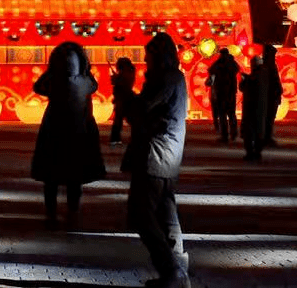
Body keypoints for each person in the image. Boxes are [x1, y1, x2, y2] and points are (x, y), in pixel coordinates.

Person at [121, 32, 190, 288]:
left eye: (148, 57)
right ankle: (178, 270)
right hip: (169, 155)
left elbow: (139, 111)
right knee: (166, 212)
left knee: (141, 215)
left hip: (155, 155)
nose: (146, 62)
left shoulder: (164, 79)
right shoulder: (176, 77)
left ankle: (171, 270)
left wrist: (126, 89)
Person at [31, 41, 106, 230]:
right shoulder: (85, 82)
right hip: (78, 134)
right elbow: (94, 85)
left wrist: (51, 70)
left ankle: (51, 215)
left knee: (51, 179)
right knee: (75, 179)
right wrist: (86, 69)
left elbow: (38, 87)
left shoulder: (54, 81)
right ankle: (73, 214)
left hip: (53, 133)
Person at [239, 55, 268, 162]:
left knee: (249, 131)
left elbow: (244, 87)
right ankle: (257, 152)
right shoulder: (264, 75)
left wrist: (244, 79)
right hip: (262, 108)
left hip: (250, 107)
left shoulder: (254, 77)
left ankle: (250, 153)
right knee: (259, 130)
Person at [207, 48, 239, 144]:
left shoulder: (219, 63)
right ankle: (233, 134)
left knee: (222, 115)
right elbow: (237, 70)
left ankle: (225, 136)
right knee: (231, 114)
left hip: (221, 92)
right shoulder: (233, 63)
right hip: (231, 92)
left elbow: (211, 70)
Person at [109, 56, 137, 146]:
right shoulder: (130, 71)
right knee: (130, 120)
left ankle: (115, 139)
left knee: (119, 120)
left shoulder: (125, 73)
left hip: (123, 98)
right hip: (126, 97)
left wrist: (115, 77)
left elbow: (117, 83)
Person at [262, 44, 284, 147]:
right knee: (269, 117)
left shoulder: (265, 65)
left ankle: (266, 137)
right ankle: (266, 137)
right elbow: (275, 81)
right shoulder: (269, 65)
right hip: (270, 95)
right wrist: (278, 92)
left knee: (268, 117)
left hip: (269, 95)